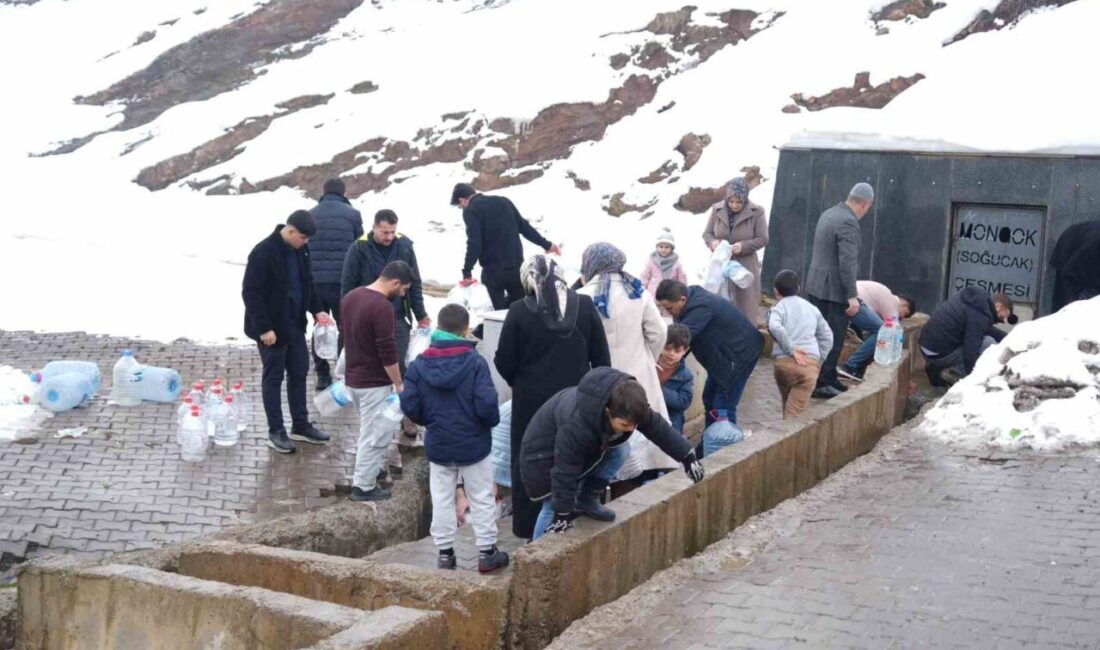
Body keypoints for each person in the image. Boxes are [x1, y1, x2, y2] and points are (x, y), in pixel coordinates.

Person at [494, 254, 610, 539]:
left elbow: (503, 360)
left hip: (531, 404)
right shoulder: (584, 305)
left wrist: (522, 382)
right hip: (576, 402)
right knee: (574, 456)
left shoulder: (520, 311)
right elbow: (602, 359)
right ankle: (572, 518)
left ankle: (528, 527)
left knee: (531, 458)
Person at [521, 368, 705, 539]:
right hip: (542, 457)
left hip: (575, 452)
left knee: (621, 450)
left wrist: (687, 456)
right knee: (552, 506)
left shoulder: (629, 403)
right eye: (625, 425)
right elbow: (565, 470)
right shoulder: (576, 423)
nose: (630, 429)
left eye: (634, 425)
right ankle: (536, 558)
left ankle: (587, 498)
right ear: (607, 411)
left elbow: (657, 427)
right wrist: (563, 512)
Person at [400, 304, 509, 573]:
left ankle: (445, 554)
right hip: (473, 443)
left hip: (439, 443)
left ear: (439, 327)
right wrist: (485, 424)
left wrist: (431, 421)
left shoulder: (419, 364)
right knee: (482, 496)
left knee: (442, 498)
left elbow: (410, 405)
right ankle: (486, 553)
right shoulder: (475, 362)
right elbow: (487, 405)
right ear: (465, 330)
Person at [342, 209, 431, 476]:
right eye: (384, 232)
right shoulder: (358, 249)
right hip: (368, 315)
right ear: (374, 228)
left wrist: (421, 314)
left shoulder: (404, 245)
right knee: (379, 363)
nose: (389, 237)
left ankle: (406, 416)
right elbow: (347, 286)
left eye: (392, 232)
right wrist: (347, 320)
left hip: (397, 316)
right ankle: (376, 427)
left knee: (400, 364)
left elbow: (413, 285)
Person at [576, 242, 673, 478]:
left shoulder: (582, 296)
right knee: (643, 433)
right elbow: (658, 333)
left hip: (599, 381)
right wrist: (646, 357)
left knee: (605, 442)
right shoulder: (638, 292)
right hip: (637, 377)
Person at [242, 210, 334, 454]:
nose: (306, 242)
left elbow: (307, 283)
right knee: (273, 378)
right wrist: (264, 328)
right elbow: (251, 293)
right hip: (271, 330)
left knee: (299, 373)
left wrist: (317, 310)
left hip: (294, 324)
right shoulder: (264, 252)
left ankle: (300, 426)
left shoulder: (301, 250)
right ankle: (276, 430)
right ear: (290, 231)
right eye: (303, 237)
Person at [340, 261, 414, 502]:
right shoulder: (382, 307)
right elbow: (387, 350)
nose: (402, 294)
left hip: (354, 378)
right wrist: (399, 382)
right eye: (403, 289)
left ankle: (373, 469)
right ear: (395, 282)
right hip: (373, 383)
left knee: (368, 427)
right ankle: (363, 486)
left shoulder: (351, 297)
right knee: (376, 435)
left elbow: (349, 337)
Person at [655, 280, 763, 438]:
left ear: (682, 299)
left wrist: (660, 362)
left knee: (723, 406)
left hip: (739, 356)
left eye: (669, 308)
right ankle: (710, 440)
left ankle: (726, 446)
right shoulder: (687, 303)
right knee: (709, 397)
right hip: (722, 356)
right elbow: (680, 343)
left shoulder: (700, 308)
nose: (668, 313)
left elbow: (681, 343)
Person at [804, 182, 874, 399]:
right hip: (834, 291)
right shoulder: (849, 222)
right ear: (864, 204)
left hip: (816, 285)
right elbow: (847, 262)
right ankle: (822, 383)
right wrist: (851, 295)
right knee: (833, 338)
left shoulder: (829, 213)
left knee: (818, 336)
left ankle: (827, 377)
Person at [451, 182, 562, 309]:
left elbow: (474, 243)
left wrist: (467, 271)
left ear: (462, 200)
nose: (462, 209)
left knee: (500, 314)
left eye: (460, 206)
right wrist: (547, 245)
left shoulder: (470, 210)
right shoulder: (503, 201)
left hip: (493, 272)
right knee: (519, 309)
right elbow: (524, 227)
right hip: (516, 268)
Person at [308, 178, 363, 390]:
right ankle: (344, 372)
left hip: (317, 282)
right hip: (343, 282)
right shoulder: (353, 215)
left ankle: (322, 374)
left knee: (320, 327)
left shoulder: (311, 214)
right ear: (343, 192)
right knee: (345, 328)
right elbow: (359, 247)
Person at [767, 270, 834, 419]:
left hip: (782, 367)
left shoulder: (777, 309)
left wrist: (790, 349)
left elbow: (775, 327)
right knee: (794, 417)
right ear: (799, 288)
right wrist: (818, 361)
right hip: (807, 367)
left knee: (787, 409)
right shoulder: (812, 309)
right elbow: (828, 337)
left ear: (775, 291)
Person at [703, 177, 769, 323]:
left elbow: (763, 238)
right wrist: (712, 243)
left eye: (739, 202)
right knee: (719, 309)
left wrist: (744, 247)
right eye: (731, 201)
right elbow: (707, 234)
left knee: (744, 311)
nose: (734, 205)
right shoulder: (717, 209)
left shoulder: (757, 212)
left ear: (745, 199)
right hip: (720, 266)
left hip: (744, 267)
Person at [919, 288, 1015, 386]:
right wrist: (972, 379)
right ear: (998, 306)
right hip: (938, 353)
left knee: (979, 339)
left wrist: (1010, 338)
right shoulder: (980, 315)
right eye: (1002, 317)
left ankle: (936, 367)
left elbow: (987, 329)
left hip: (927, 346)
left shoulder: (975, 302)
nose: (1000, 320)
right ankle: (953, 372)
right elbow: (970, 350)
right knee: (988, 343)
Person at [838, 281, 916, 382]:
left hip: (843, 294)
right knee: (881, 331)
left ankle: (853, 329)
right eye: (904, 315)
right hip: (854, 300)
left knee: (876, 328)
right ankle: (851, 366)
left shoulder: (882, 297)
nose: (901, 318)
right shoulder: (893, 301)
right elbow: (893, 331)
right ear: (905, 306)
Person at [1050, 221, 1100, 313]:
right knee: (1065, 303)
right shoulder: (1090, 249)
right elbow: (1068, 275)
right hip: (1069, 248)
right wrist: (1070, 305)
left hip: (1086, 258)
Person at [658, 324, 694, 434]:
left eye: (677, 350)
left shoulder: (686, 375)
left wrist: (657, 390)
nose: (671, 354)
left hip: (671, 416)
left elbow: (684, 401)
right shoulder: (649, 365)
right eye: (667, 348)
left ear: (685, 350)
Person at [641, 228, 688, 296]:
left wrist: (682, 292)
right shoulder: (651, 261)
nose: (663, 249)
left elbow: (682, 279)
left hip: (671, 294)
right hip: (653, 293)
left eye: (667, 247)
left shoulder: (677, 263)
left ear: (671, 249)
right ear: (657, 247)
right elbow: (644, 277)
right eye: (661, 247)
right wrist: (642, 289)